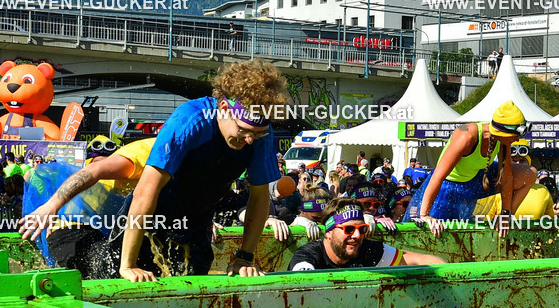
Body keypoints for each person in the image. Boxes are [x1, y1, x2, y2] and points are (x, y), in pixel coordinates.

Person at [114, 58, 286, 282]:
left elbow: (260, 197)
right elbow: (146, 191)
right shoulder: (189, 120)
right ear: (224, 108)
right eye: (244, 131)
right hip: (146, 224)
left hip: (196, 227)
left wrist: (244, 257)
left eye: (258, 133)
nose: (250, 139)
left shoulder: (259, 130)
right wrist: (128, 264)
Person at [19, 137, 156, 275]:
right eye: (97, 161)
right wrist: (51, 207)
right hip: (67, 232)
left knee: (117, 263)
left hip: (95, 232)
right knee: (103, 268)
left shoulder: (120, 177)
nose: (104, 166)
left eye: (107, 161)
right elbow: (93, 170)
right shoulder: (83, 174)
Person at [412, 101, 535, 238]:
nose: (517, 139)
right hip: (447, 188)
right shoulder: (467, 135)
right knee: (439, 237)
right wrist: (425, 215)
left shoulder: (502, 140)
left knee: (529, 174)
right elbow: (437, 177)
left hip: (475, 182)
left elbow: (506, 179)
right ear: (502, 132)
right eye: (515, 135)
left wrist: (505, 214)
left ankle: (503, 222)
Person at [289, 198, 444, 270]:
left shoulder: (368, 250)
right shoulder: (308, 255)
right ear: (329, 232)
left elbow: (420, 260)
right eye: (348, 229)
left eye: (362, 229)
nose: (357, 236)